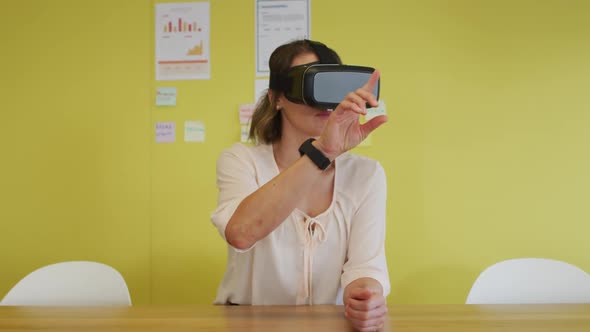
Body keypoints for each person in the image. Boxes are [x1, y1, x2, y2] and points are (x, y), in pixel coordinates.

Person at [211, 39, 390, 331]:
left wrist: (365, 297)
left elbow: (365, 266)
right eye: (307, 83)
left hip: (329, 325)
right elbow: (241, 233)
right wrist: (322, 152)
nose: (322, 101)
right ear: (276, 98)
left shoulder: (366, 174)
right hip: (248, 324)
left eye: (331, 86)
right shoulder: (242, 161)